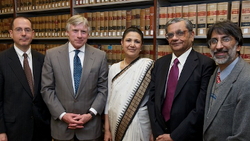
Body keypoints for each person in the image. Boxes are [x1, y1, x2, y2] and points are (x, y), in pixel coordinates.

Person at [147, 18, 216, 141]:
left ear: (191, 35)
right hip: (160, 136)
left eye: (180, 33)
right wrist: (158, 133)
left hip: (188, 136)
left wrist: (174, 137)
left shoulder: (206, 64)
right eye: (170, 34)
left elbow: (201, 107)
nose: (174, 38)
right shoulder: (159, 64)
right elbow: (152, 101)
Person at [41, 15, 108, 141]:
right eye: (75, 31)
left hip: (90, 127)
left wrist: (90, 114)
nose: (79, 35)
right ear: (67, 32)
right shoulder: (52, 55)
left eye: (83, 32)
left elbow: (103, 89)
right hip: (62, 127)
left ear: (88, 34)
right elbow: (47, 89)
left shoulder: (100, 56)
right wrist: (62, 115)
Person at [0, 17, 51, 141]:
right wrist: (1, 131)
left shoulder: (43, 59)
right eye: (19, 30)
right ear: (11, 33)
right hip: (14, 130)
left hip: (41, 129)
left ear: (33, 34)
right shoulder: (2, 60)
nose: (23, 33)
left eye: (27, 30)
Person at [104, 27, 154, 141]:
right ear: (122, 43)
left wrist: (153, 131)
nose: (132, 44)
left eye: (137, 42)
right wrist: (107, 130)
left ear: (141, 46)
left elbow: (154, 102)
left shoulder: (148, 67)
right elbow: (109, 101)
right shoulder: (113, 68)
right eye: (128, 40)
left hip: (140, 124)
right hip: (115, 122)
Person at [203, 20, 250, 141]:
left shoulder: (247, 81)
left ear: (238, 46)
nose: (218, 46)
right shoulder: (216, 71)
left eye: (226, 39)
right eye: (214, 41)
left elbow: (242, 137)